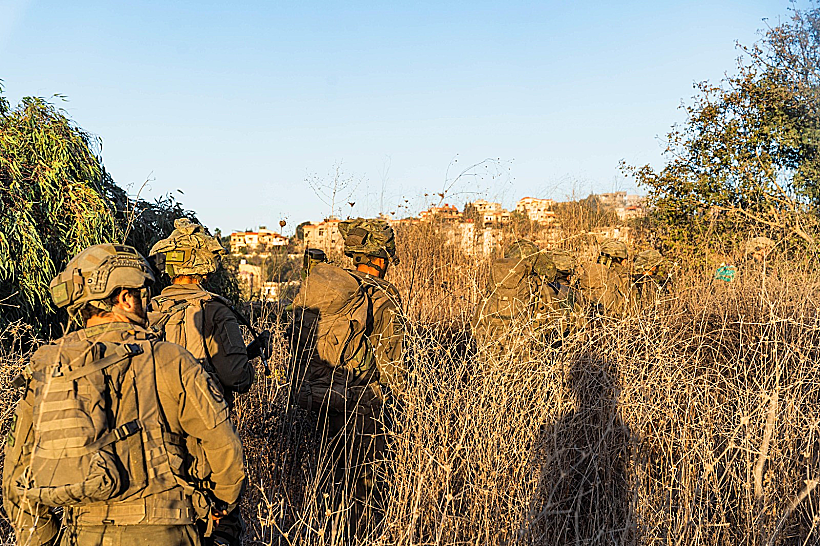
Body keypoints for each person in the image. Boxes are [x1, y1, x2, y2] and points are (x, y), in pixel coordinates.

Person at [3, 243, 245, 546]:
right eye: (142, 293)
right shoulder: (171, 360)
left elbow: (16, 477)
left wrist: (43, 538)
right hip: (166, 532)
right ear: (125, 298)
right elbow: (226, 453)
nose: (147, 301)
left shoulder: (49, 366)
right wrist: (218, 511)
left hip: (80, 533)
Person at [148, 218, 265, 546]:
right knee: (219, 525)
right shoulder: (213, 309)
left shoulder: (146, 310)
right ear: (205, 265)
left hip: (151, 438)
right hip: (204, 436)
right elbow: (236, 377)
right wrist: (249, 362)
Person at [288, 218, 404, 537]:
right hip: (362, 405)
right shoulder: (383, 295)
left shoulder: (333, 286)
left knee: (330, 481)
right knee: (366, 489)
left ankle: (326, 534)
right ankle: (360, 537)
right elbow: (393, 362)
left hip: (321, 396)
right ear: (381, 257)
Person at [472, 239, 560, 351]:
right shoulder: (537, 287)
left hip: (489, 357)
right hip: (524, 357)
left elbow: (476, 324)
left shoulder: (494, 286)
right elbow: (549, 326)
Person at [576, 239, 631, 317]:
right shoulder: (623, 276)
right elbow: (632, 306)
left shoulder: (587, 271)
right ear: (623, 260)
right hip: (614, 323)